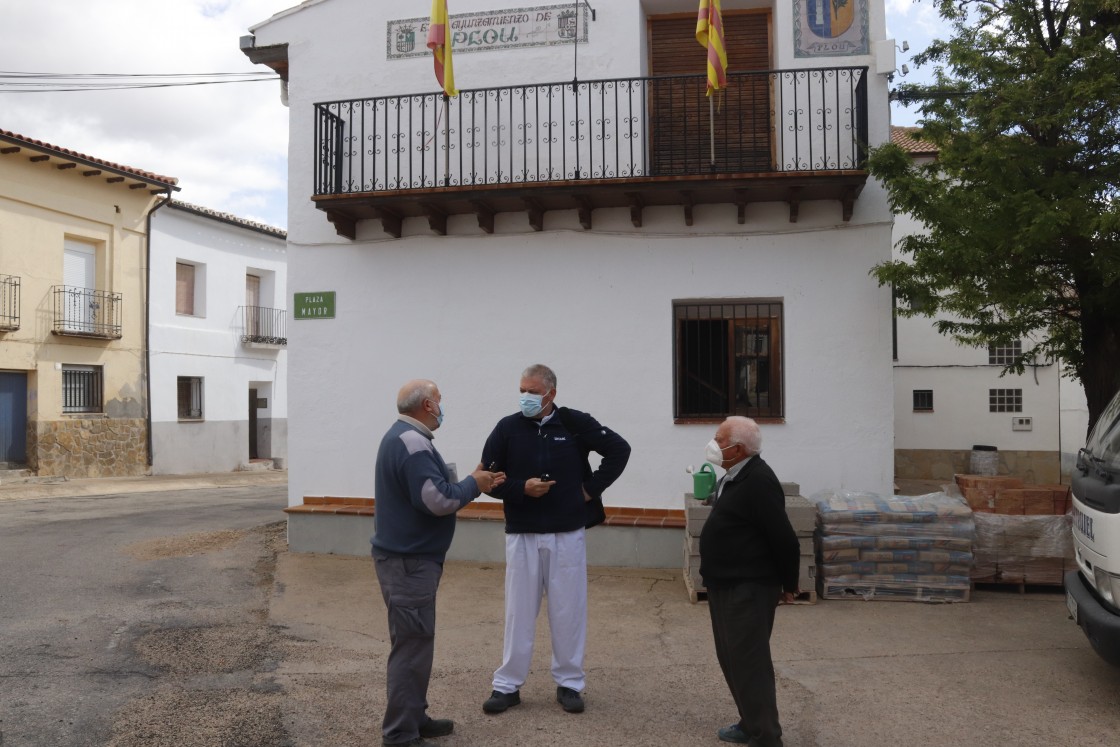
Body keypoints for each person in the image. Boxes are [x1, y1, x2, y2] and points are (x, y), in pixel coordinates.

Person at [479, 364, 630, 715]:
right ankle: (507, 685)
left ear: (551, 394)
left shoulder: (574, 424)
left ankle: (570, 683)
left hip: (567, 532)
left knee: (568, 610)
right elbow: (486, 477)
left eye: (533, 391)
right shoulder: (507, 428)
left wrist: (590, 491)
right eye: (522, 390)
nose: (526, 398)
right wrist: (521, 489)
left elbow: (619, 450)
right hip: (523, 533)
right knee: (519, 612)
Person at [371, 379, 506, 747]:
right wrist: (473, 484)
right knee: (412, 647)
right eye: (440, 401)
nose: (443, 408)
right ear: (428, 405)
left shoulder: (403, 437)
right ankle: (400, 733)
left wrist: (472, 483)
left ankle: (414, 717)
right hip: (409, 563)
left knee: (415, 643)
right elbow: (436, 501)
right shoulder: (413, 443)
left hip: (408, 561)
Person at [699, 416, 800, 747]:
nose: (713, 444)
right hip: (725, 582)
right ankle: (750, 722)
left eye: (719, 439)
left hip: (748, 585)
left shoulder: (758, 480)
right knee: (732, 659)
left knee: (750, 663)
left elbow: (784, 536)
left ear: (737, 449)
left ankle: (766, 736)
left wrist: (789, 584)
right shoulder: (734, 474)